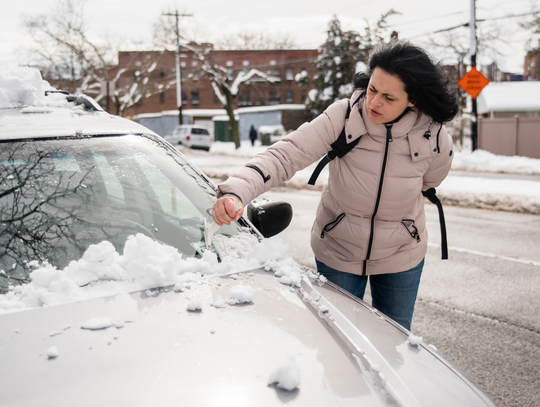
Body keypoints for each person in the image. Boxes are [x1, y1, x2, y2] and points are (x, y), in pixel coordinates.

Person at [211, 41, 458, 330]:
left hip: (401, 255)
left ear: (412, 100)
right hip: (339, 250)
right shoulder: (343, 116)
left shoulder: (434, 137)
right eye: (372, 90)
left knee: (397, 340)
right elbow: (285, 155)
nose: (374, 103)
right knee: (338, 340)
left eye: (388, 97)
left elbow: (431, 181)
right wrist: (236, 191)